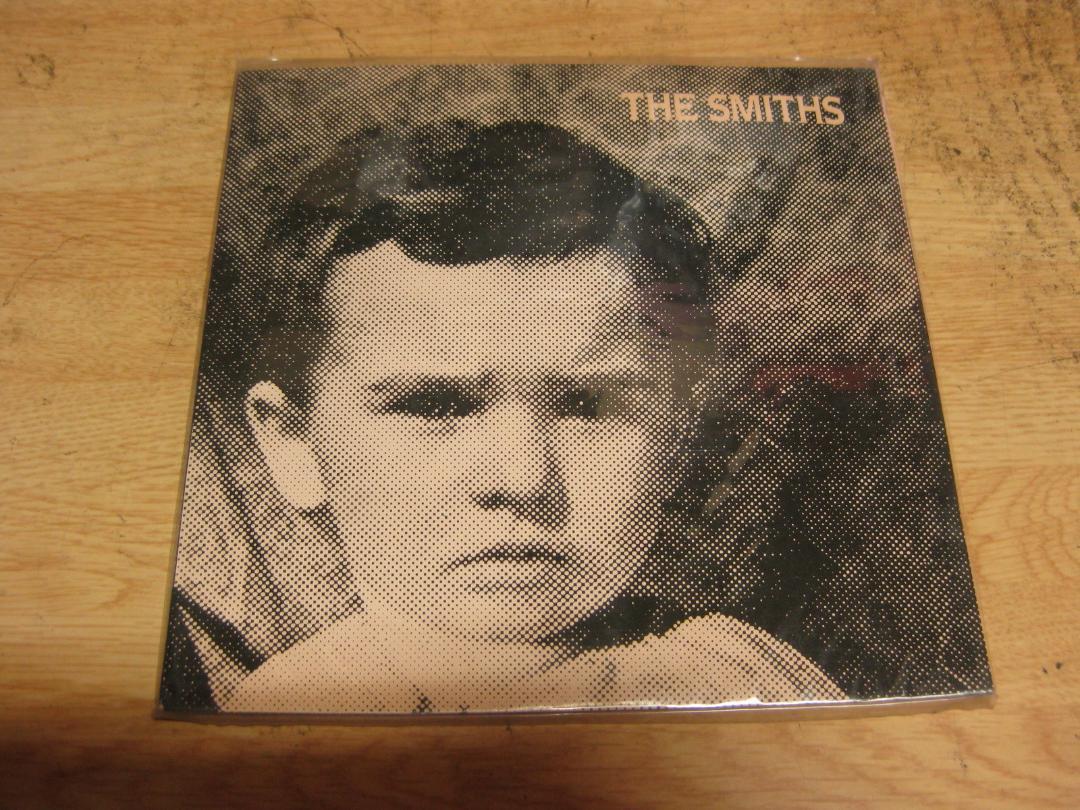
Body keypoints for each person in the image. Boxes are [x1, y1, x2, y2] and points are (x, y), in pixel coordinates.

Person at [201, 119, 842, 713]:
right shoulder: (291, 715)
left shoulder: (736, 680)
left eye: (587, 405)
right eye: (432, 404)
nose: (521, 479)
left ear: (677, 438)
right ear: (293, 444)